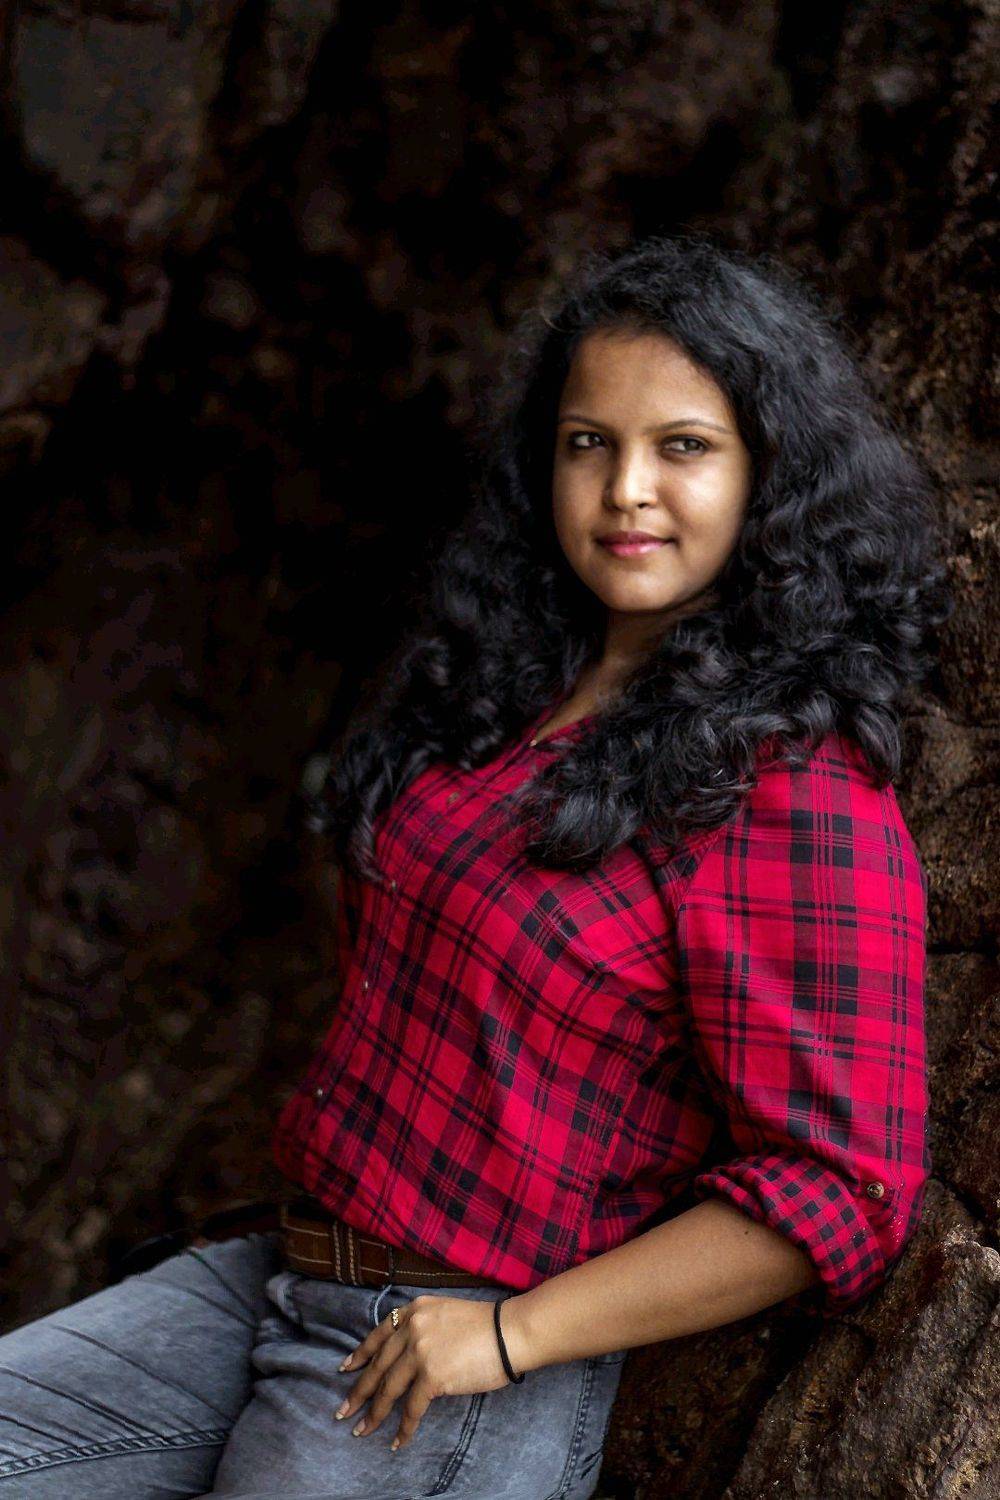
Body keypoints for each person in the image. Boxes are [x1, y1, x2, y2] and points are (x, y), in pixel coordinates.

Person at [0, 233, 950, 1499]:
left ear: (770, 472)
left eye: (682, 447)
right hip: (284, 1270)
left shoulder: (790, 787)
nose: (624, 490)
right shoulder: (514, 688)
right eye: (587, 442)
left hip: (454, 1358)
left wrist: (513, 1335)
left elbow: (843, 1185)